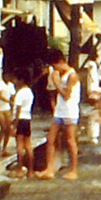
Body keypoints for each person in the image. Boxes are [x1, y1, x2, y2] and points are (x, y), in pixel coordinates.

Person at [38, 51, 81, 180]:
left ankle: (74, 170)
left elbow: (66, 95)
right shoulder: (60, 74)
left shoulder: (72, 76)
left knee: (69, 139)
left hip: (70, 110)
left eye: (55, 66)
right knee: (50, 138)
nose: (54, 69)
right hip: (59, 110)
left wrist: (56, 83)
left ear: (61, 62)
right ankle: (49, 168)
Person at [9, 76, 37, 176]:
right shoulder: (29, 92)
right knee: (28, 145)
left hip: (20, 119)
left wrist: (14, 125)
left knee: (20, 145)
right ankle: (30, 170)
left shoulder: (20, 93)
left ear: (21, 79)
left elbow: (18, 110)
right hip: (27, 119)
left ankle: (19, 168)